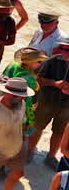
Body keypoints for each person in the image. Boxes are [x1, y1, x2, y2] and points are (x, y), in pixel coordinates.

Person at [3, 47, 46, 156]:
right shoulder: (29, 78)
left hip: (3, 101)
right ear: (31, 62)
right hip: (17, 109)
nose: (40, 64)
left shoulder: (12, 65)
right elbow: (27, 102)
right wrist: (31, 120)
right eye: (39, 61)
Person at [34, 38, 69, 166]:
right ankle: (29, 152)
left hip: (66, 106)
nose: (63, 51)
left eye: (67, 49)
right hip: (47, 101)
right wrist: (55, 83)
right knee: (38, 127)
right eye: (62, 48)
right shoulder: (53, 61)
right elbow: (38, 79)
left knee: (59, 131)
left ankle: (51, 157)